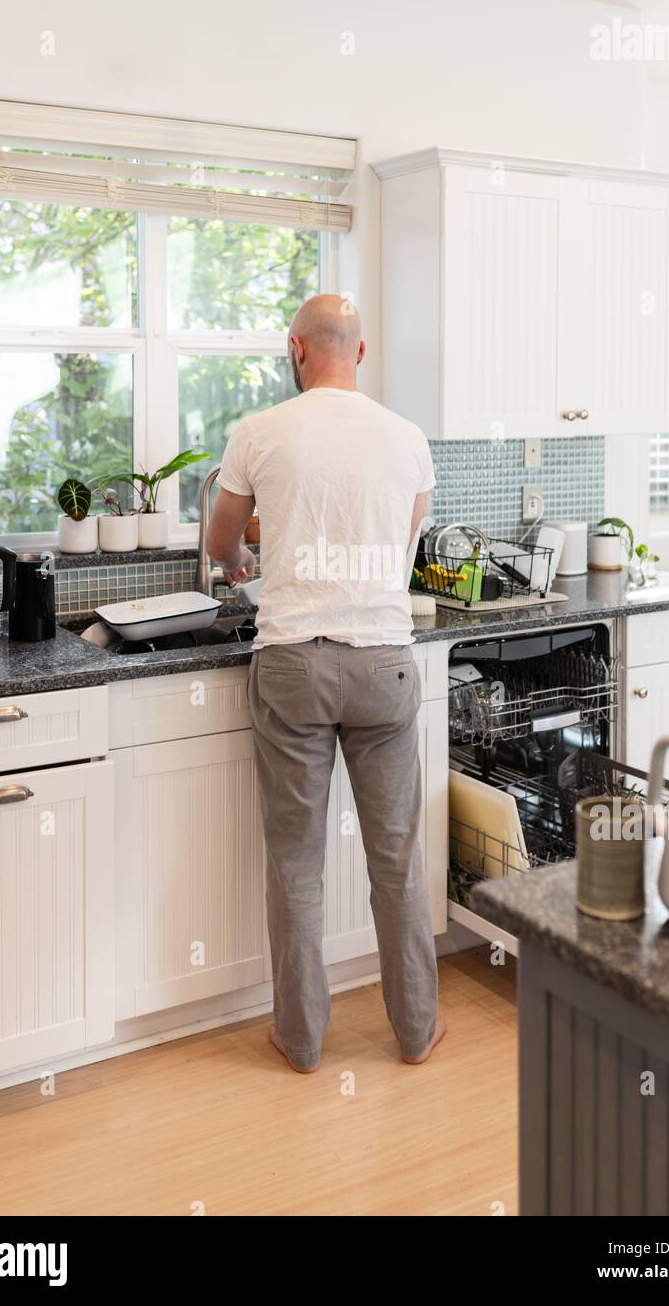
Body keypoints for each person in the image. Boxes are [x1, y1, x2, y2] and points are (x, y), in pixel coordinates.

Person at [207, 294, 445, 1073]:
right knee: (398, 859)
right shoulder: (407, 439)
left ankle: (301, 1040)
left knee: (296, 862)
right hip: (384, 662)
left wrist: (246, 559)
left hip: (294, 666)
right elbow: (400, 535)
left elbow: (221, 540)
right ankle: (416, 1031)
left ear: (296, 350)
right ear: (362, 353)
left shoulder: (259, 432)